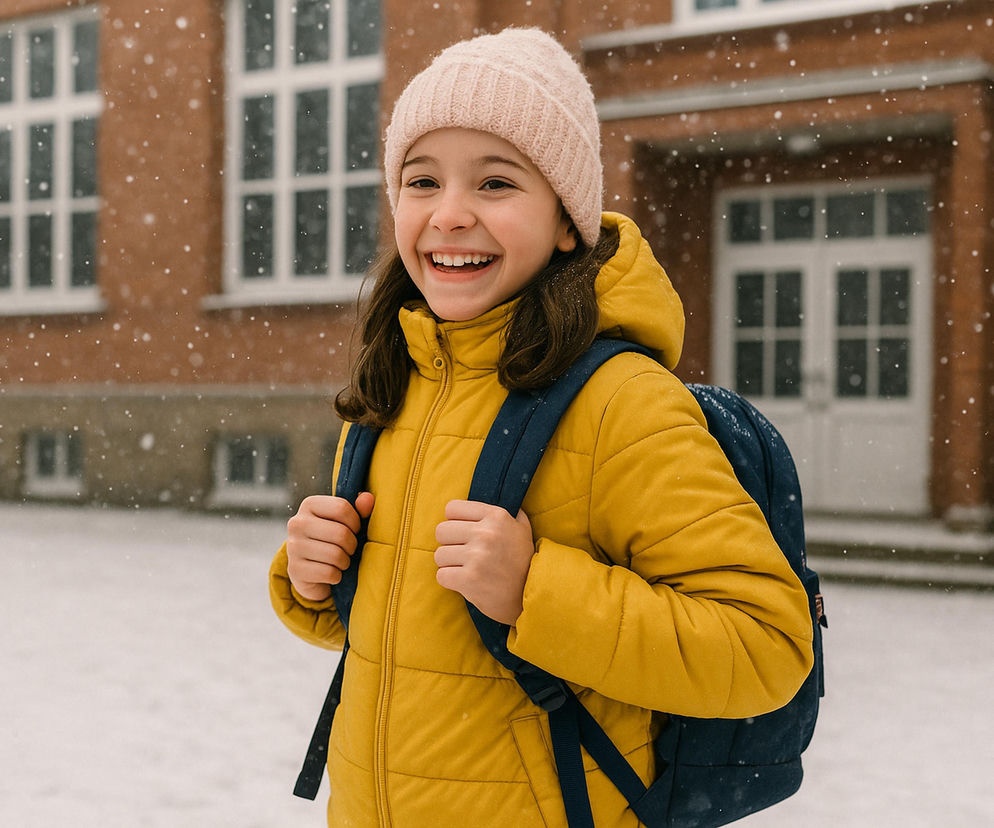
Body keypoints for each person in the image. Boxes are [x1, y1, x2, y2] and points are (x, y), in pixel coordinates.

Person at [270, 27, 814, 828]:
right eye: (421, 181)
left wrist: (536, 591)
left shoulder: (622, 403)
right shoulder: (399, 380)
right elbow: (419, 644)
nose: (448, 215)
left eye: (495, 183)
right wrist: (315, 580)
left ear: (567, 221)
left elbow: (765, 648)